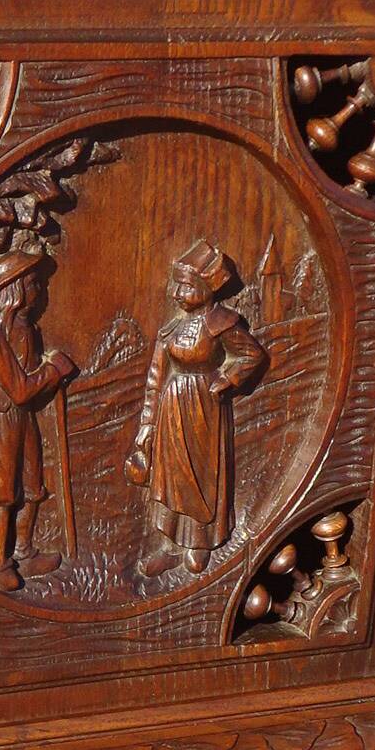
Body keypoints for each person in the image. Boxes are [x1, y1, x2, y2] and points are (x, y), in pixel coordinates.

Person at [125, 239, 267, 576]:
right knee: (171, 475)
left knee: (199, 475)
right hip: (171, 405)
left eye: (186, 285)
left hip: (204, 406)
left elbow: (252, 355)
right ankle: (170, 545)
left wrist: (228, 379)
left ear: (208, 288)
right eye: (176, 284)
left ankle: (199, 543)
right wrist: (147, 425)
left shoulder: (221, 323)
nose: (177, 292)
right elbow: (156, 377)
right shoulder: (172, 328)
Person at [0, 247, 76, 588]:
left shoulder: (26, 329)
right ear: (14, 289)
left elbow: (29, 388)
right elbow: (20, 388)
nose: (40, 292)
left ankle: (24, 552)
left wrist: (48, 377)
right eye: (33, 284)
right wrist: (53, 371)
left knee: (30, 485)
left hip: (21, 416)